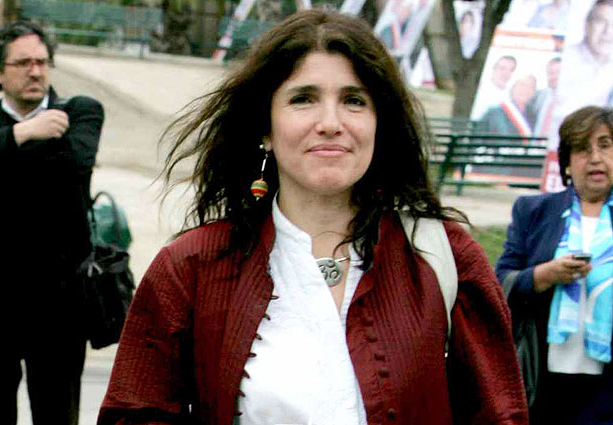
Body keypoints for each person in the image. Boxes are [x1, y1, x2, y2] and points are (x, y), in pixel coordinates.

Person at [98, 9, 528, 425]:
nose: (330, 123)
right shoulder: (191, 268)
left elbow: (500, 414)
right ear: (265, 129)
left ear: (379, 123)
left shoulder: (445, 258)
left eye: (354, 101)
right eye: (303, 99)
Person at [0, 21, 104, 425]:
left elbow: (73, 166)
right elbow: (51, 167)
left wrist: (5, 155)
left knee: (57, 415)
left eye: (42, 62)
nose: (36, 71)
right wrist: (23, 133)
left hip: (60, 304)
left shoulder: (81, 111)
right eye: (23, 63)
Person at [496, 106, 613, 424]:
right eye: (582, 148)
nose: (595, 158)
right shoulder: (533, 211)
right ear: (567, 162)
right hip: (541, 380)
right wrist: (543, 276)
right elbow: (499, 282)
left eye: (605, 145)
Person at [471, 55, 517, 121]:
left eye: (511, 70)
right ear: (494, 69)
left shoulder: (512, 95)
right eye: (502, 68)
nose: (506, 73)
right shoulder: (479, 89)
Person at [527, 57, 561, 137]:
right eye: (550, 73)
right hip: (535, 143)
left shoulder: (574, 99)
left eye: (558, 72)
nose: (554, 76)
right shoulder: (538, 95)